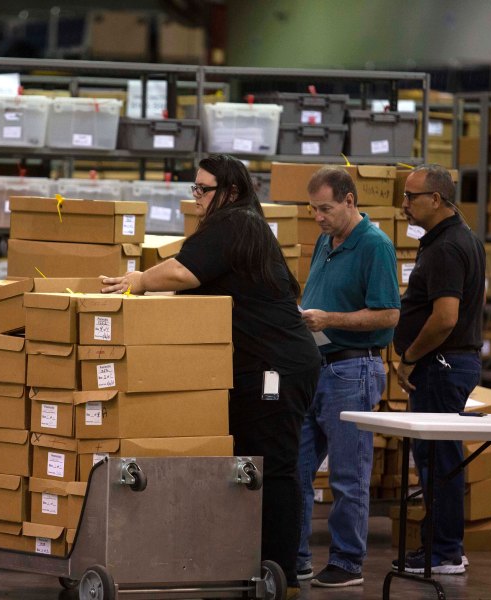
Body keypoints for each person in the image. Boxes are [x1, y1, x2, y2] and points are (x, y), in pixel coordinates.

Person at [102, 154, 321, 595]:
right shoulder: (239, 225)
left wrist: (138, 280)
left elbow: (184, 271)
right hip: (254, 363)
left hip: (274, 364)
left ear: (231, 191)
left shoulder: (236, 222)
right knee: (245, 462)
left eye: (204, 189)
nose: (197, 197)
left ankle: (282, 573)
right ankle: (249, 563)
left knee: (273, 465)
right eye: (194, 188)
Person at [296, 167, 401, 588]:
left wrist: (329, 318)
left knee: (348, 473)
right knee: (296, 467)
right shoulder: (326, 241)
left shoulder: (375, 245)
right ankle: (295, 555)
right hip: (315, 367)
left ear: (349, 201)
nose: (318, 217)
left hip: (352, 369)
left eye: (325, 209)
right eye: (313, 210)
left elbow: (389, 314)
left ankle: (347, 561)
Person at [393, 164, 485, 574]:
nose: (404, 204)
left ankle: (444, 551)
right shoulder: (455, 238)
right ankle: (444, 546)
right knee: (437, 457)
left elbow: (445, 317)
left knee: (437, 458)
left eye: (412, 197)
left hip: (441, 365)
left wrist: (410, 356)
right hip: (450, 363)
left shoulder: (448, 247)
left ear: (436, 199)